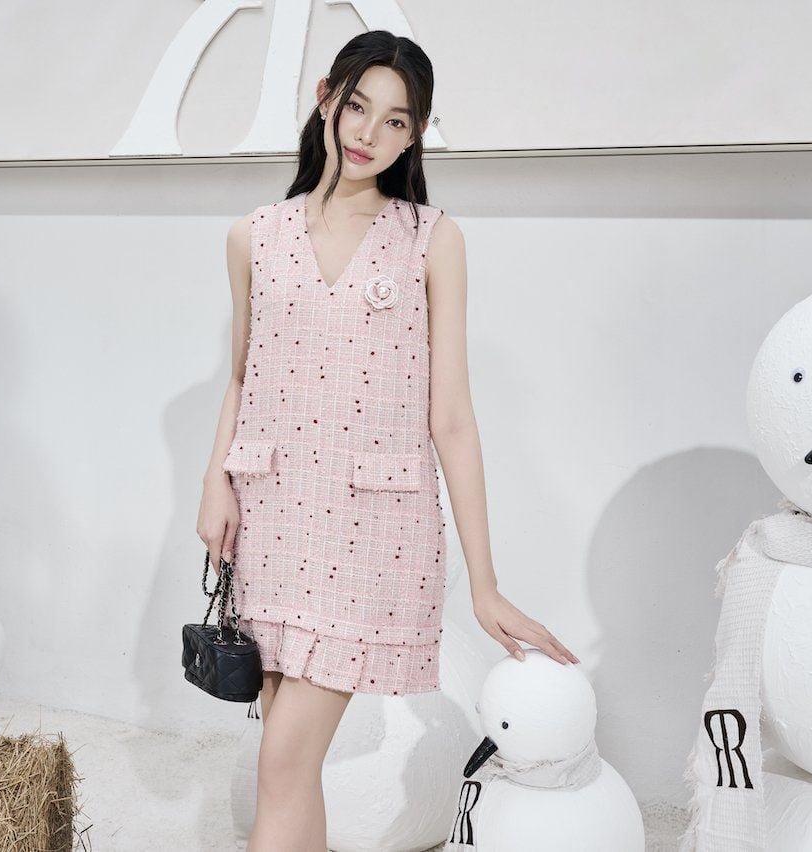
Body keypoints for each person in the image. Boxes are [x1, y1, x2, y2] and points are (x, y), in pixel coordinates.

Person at [196, 29, 579, 852]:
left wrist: (484, 584)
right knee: (288, 769)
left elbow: (452, 418)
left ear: (417, 133)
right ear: (326, 99)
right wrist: (214, 481)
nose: (369, 133)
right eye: (358, 107)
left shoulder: (432, 240)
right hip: (272, 519)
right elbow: (242, 377)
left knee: (281, 766)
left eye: (397, 120)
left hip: (373, 531)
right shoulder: (252, 236)